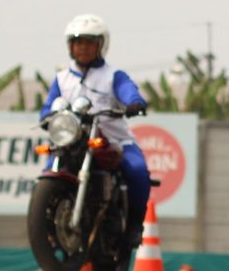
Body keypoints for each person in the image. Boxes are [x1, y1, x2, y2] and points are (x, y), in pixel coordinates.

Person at [40, 13, 152, 254]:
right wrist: (46, 117)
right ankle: (45, 233)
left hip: (114, 139)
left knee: (138, 170)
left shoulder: (113, 75)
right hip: (73, 140)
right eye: (78, 42)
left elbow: (129, 92)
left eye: (89, 43)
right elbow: (48, 107)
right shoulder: (62, 78)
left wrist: (134, 103)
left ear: (101, 45)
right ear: (70, 46)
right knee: (48, 169)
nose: (83, 48)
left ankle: (134, 226)